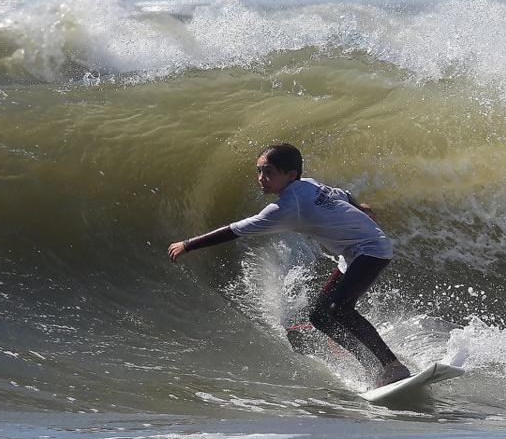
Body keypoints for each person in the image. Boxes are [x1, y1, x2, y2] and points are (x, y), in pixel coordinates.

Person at [167, 144, 412, 388]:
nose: (261, 178)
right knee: (319, 316)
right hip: (353, 254)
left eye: (269, 172)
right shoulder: (309, 184)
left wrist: (188, 244)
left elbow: (236, 229)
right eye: (259, 171)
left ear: (291, 175)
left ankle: (391, 365)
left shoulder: (288, 206)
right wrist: (360, 208)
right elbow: (344, 195)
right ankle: (373, 366)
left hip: (371, 249)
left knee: (339, 309)